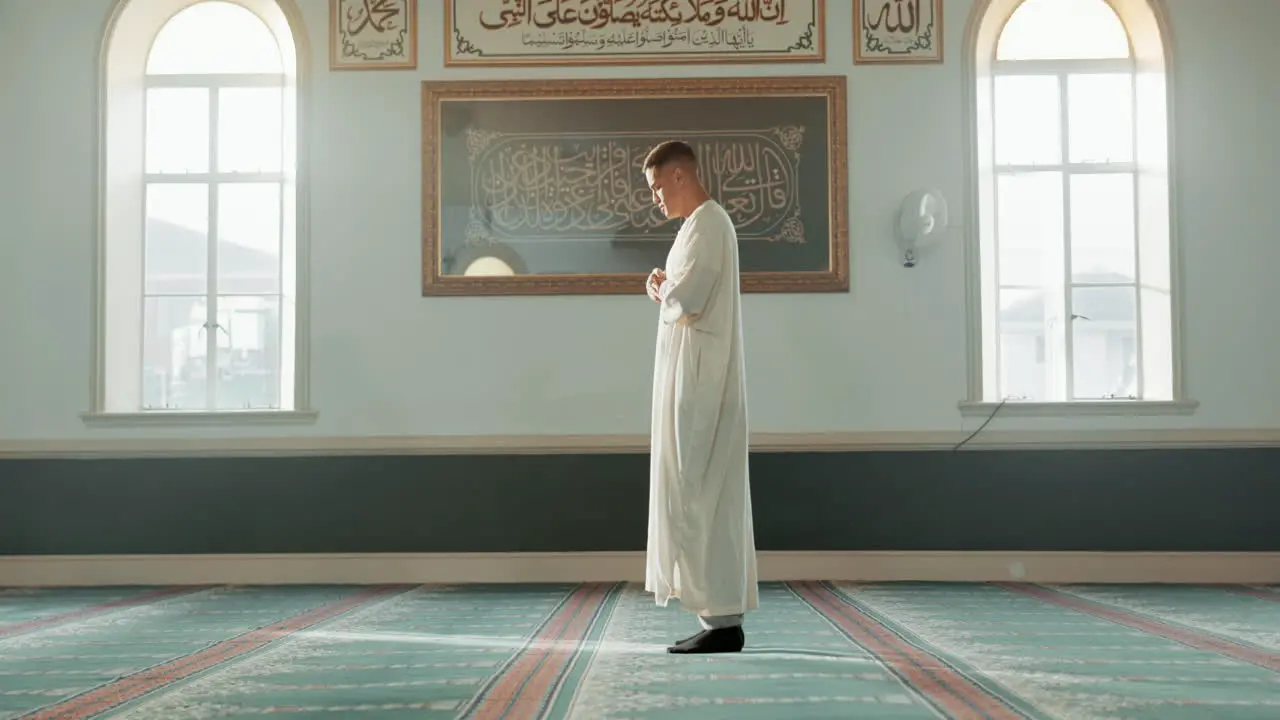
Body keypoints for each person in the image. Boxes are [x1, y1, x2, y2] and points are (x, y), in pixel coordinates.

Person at [640, 140, 758, 655]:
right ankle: (715, 617)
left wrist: (663, 290)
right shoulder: (696, 228)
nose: (657, 199)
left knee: (704, 494)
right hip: (693, 379)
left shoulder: (711, 224)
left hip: (703, 385)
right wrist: (664, 287)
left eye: (659, 187)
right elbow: (682, 294)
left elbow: (688, 298)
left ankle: (723, 621)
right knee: (697, 493)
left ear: (681, 175)